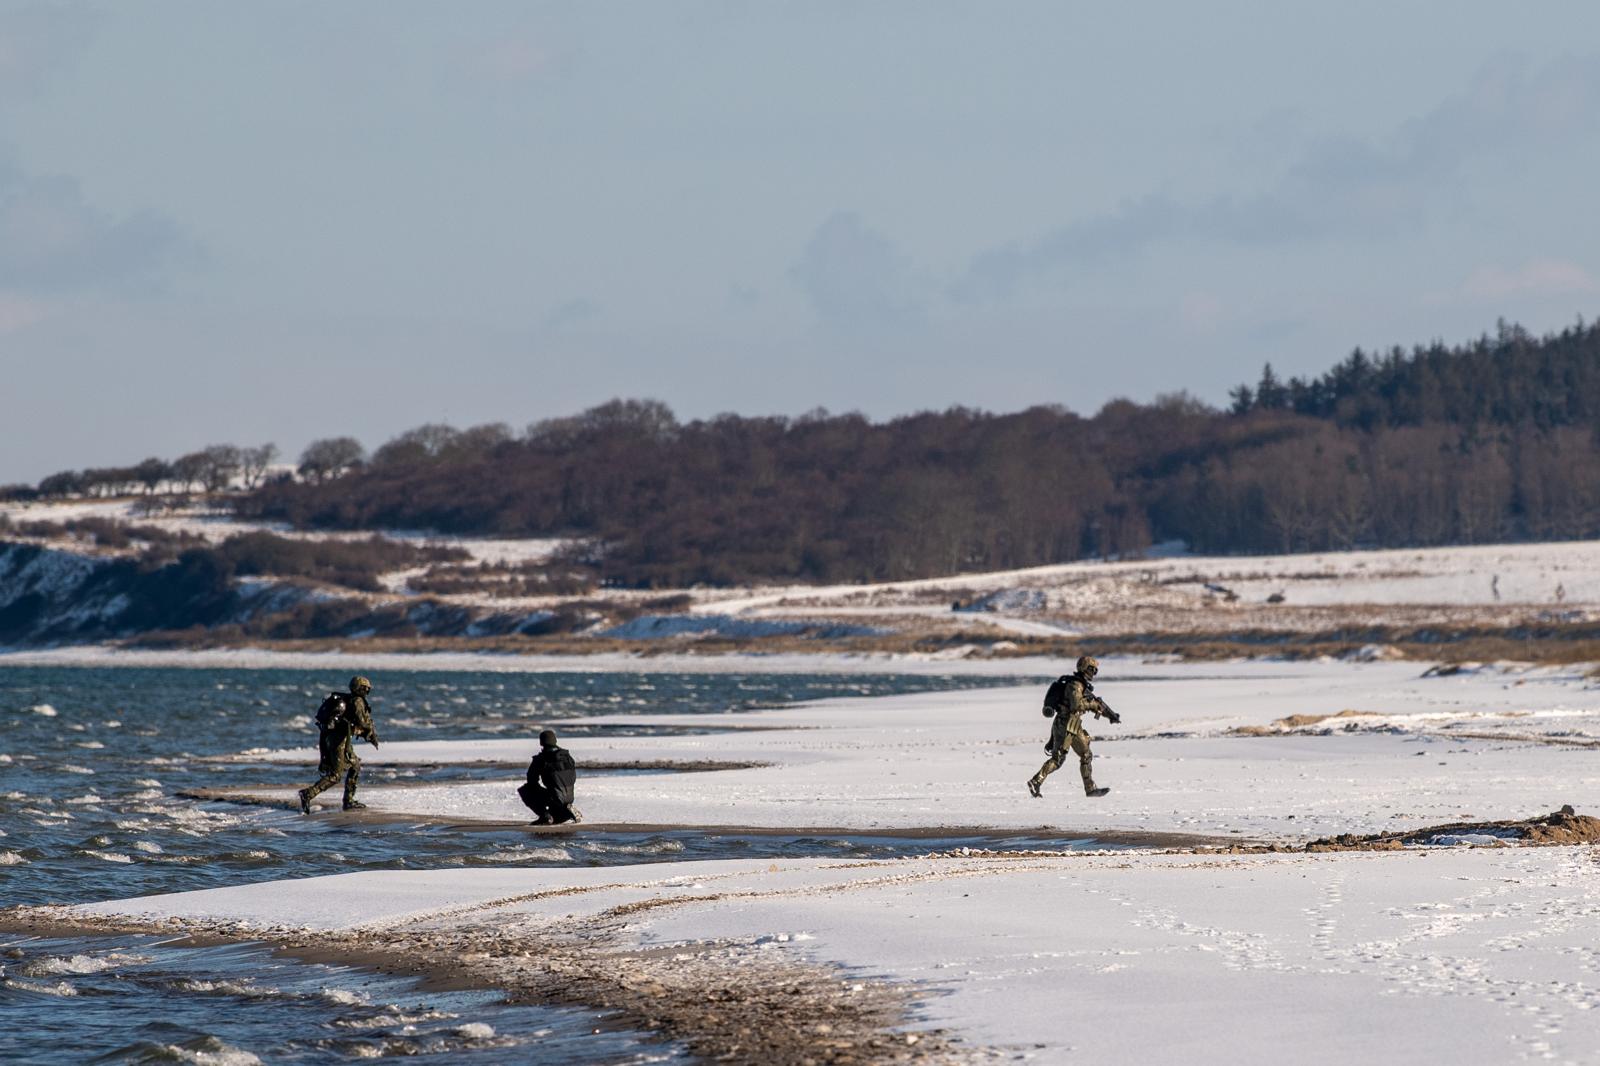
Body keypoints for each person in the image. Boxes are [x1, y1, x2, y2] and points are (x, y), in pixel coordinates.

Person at [1027, 655, 1119, 799]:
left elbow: (1090, 705)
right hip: (1069, 724)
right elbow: (1077, 705)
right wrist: (1093, 705)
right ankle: (1088, 788)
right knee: (1070, 757)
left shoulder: (1079, 685)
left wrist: (1110, 716)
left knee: (1074, 756)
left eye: (1095, 671)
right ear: (1084, 668)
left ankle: (1038, 781)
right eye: (1092, 670)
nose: (1093, 673)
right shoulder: (1075, 685)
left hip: (1068, 723)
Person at [298, 675, 380, 814]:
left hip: (338, 739)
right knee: (335, 775)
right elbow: (361, 722)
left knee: (355, 765)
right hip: (339, 741)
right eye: (365, 689)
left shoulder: (347, 699)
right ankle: (308, 794)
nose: (367, 692)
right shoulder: (357, 701)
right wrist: (370, 728)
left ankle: (348, 800)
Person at [519, 729, 579, 825]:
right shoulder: (567, 757)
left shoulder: (541, 759)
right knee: (555, 817)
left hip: (555, 797)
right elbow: (573, 777)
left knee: (526, 790)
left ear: (541, 742)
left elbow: (531, 780)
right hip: (569, 797)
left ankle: (545, 816)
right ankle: (567, 812)